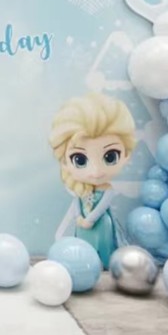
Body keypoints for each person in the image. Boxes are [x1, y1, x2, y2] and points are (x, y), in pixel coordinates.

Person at [49, 93, 137, 268]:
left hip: (100, 224)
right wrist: (79, 217)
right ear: (64, 161)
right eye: (80, 160)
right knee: (83, 248)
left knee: (103, 247)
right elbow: (77, 202)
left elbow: (102, 206)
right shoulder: (81, 188)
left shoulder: (107, 189)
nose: (96, 172)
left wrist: (89, 219)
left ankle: (104, 265)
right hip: (82, 224)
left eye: (110, 157)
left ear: (126, 154)